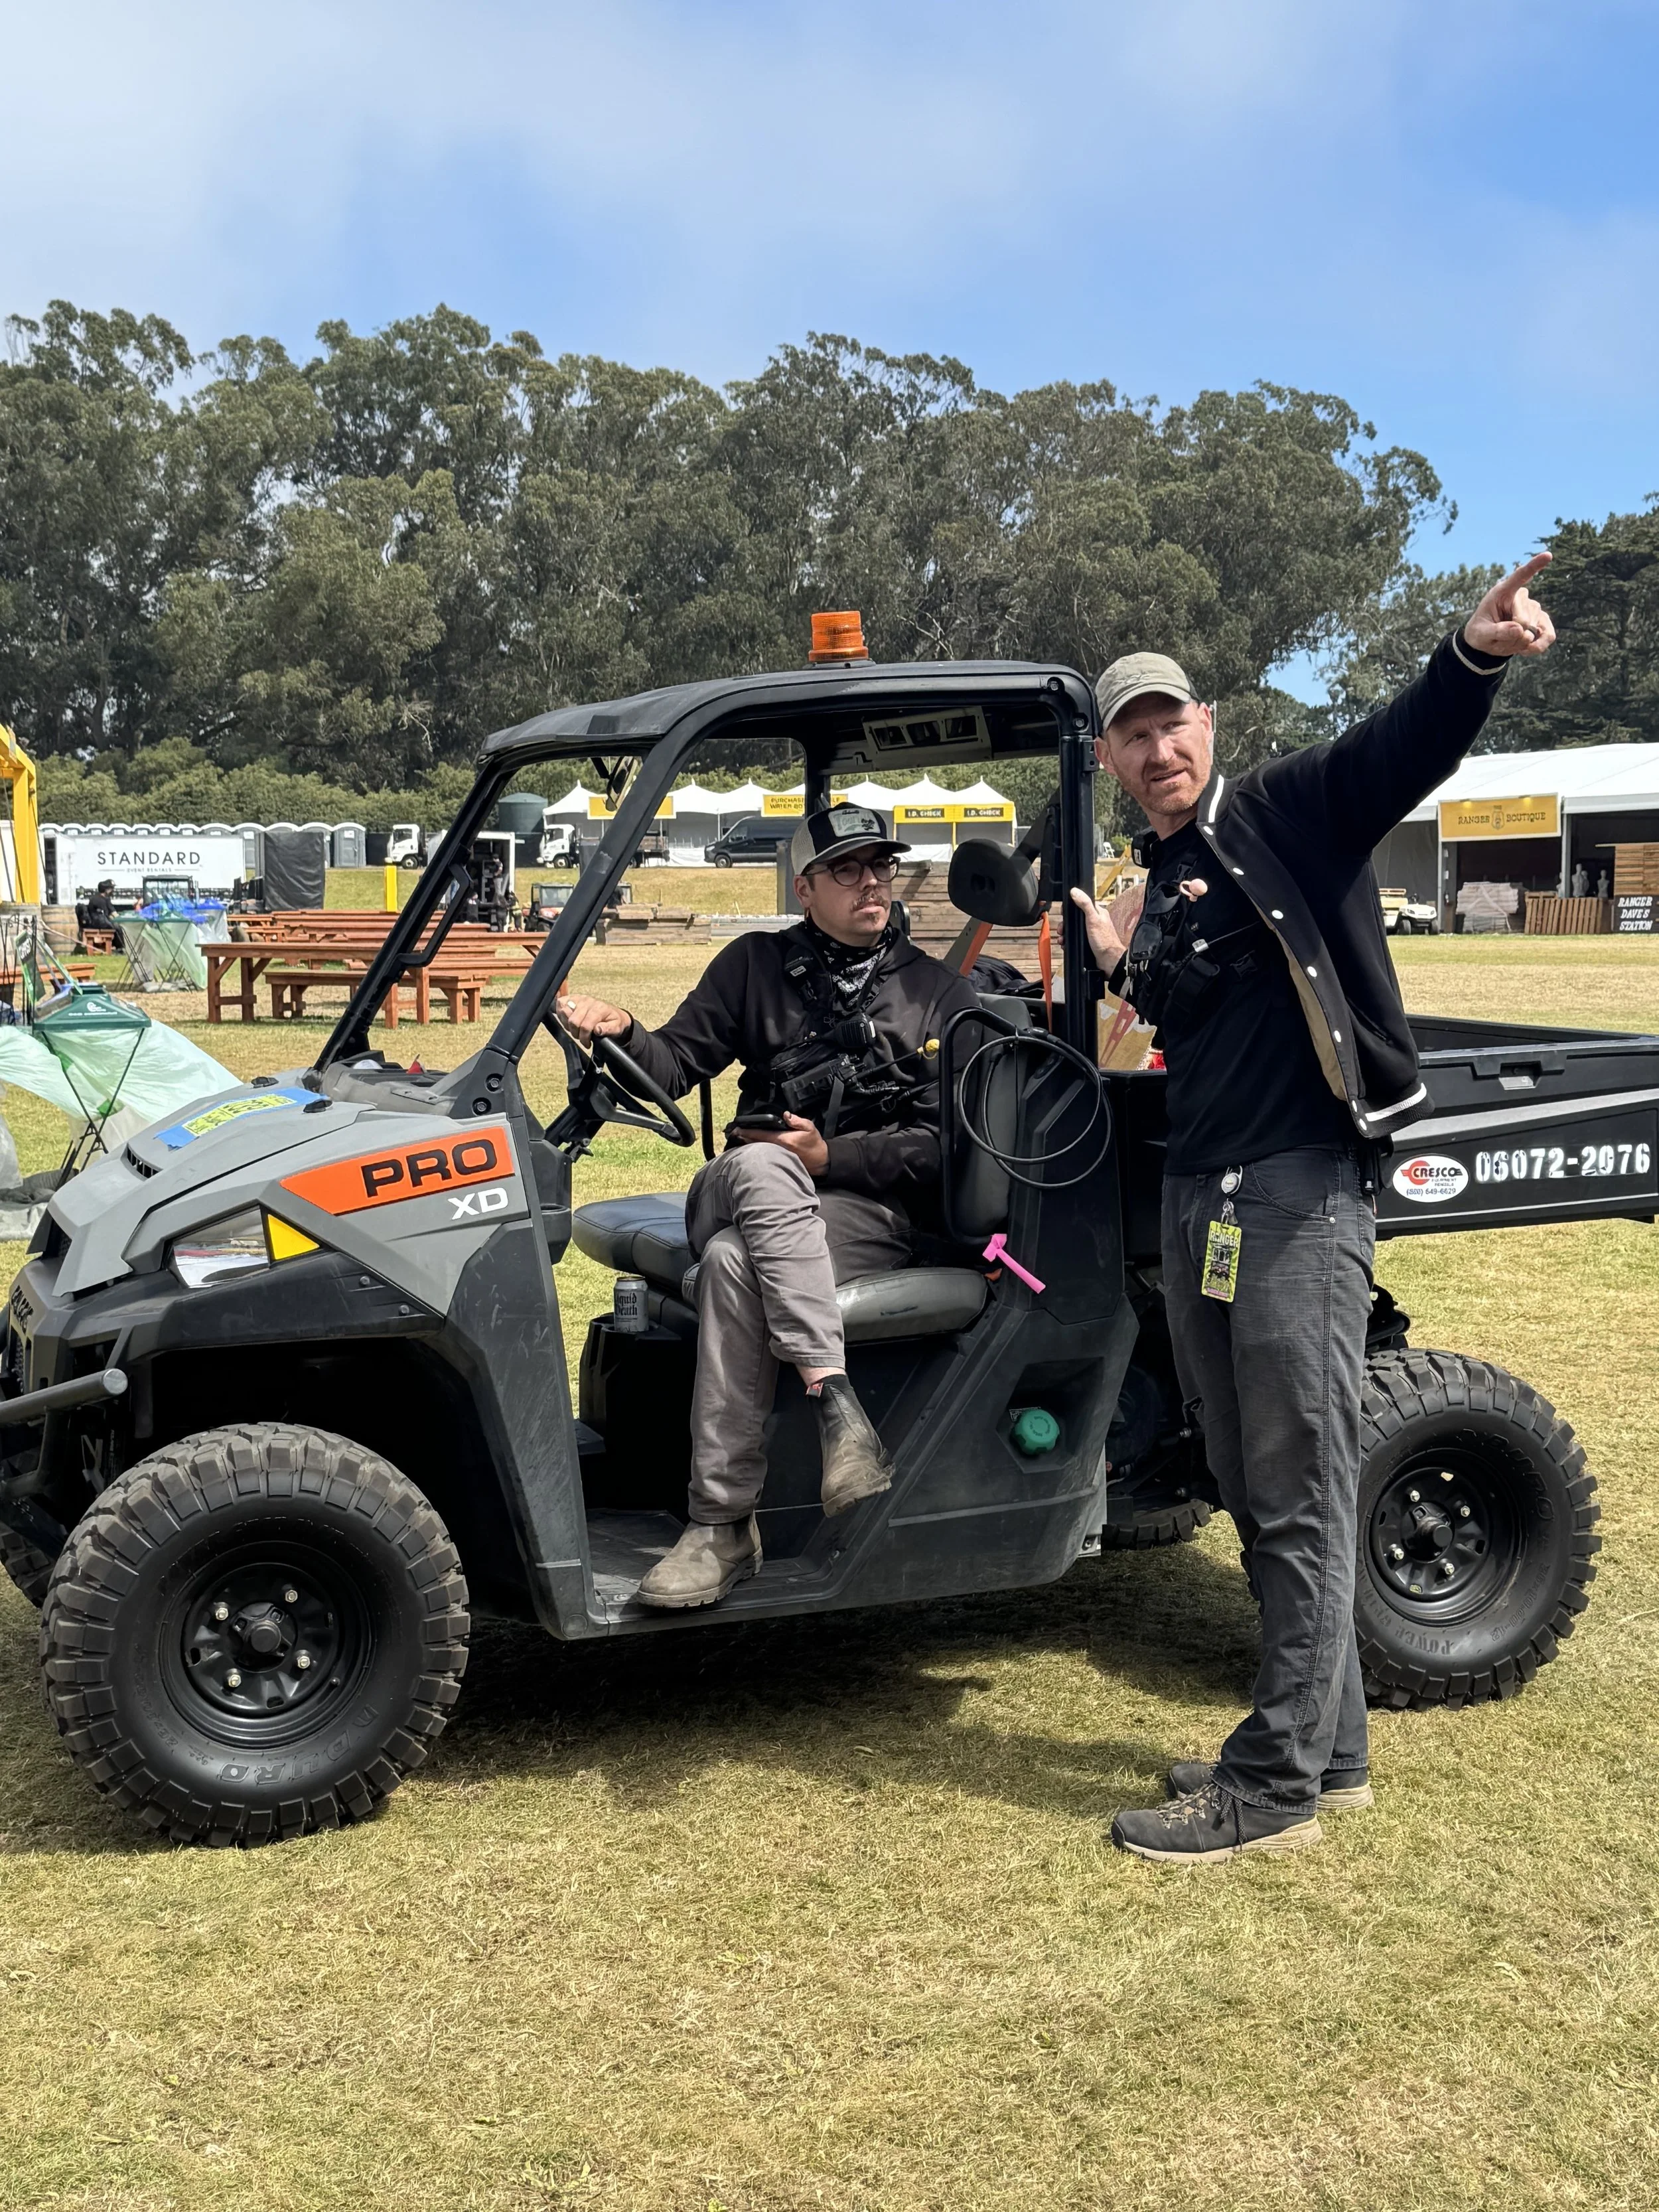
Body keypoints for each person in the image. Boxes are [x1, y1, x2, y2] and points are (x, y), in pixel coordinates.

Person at [1072, 556, 1557, 1863]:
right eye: (1132, 734)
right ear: (1110, 758)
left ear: (1207, 724)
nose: (1159, 749)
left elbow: (1395, 750)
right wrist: (1124, 965)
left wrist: (1470, 656)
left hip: (1296, 1190)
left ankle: (1272, 1782)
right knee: (1243, 1473)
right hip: (1204, 1195)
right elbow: (1189, 1009)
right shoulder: (1164, 870)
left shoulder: (1282, 810)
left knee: (1297, 1480)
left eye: (1172, 722)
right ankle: (1328, 1748)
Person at [558, 802, 979, 1609]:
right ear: (804, 888)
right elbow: (674, 1064)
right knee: (759, 1166)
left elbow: (945, 1146)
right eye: (846, 869)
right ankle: (834, 1399)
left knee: (732, 1266)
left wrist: (832, 1158)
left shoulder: (937, 995)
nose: (870, 883)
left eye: (880, 866)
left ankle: (721, 1525)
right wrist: (626, 1028)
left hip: (860, 1214)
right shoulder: (754, 965)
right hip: (738, 1188)